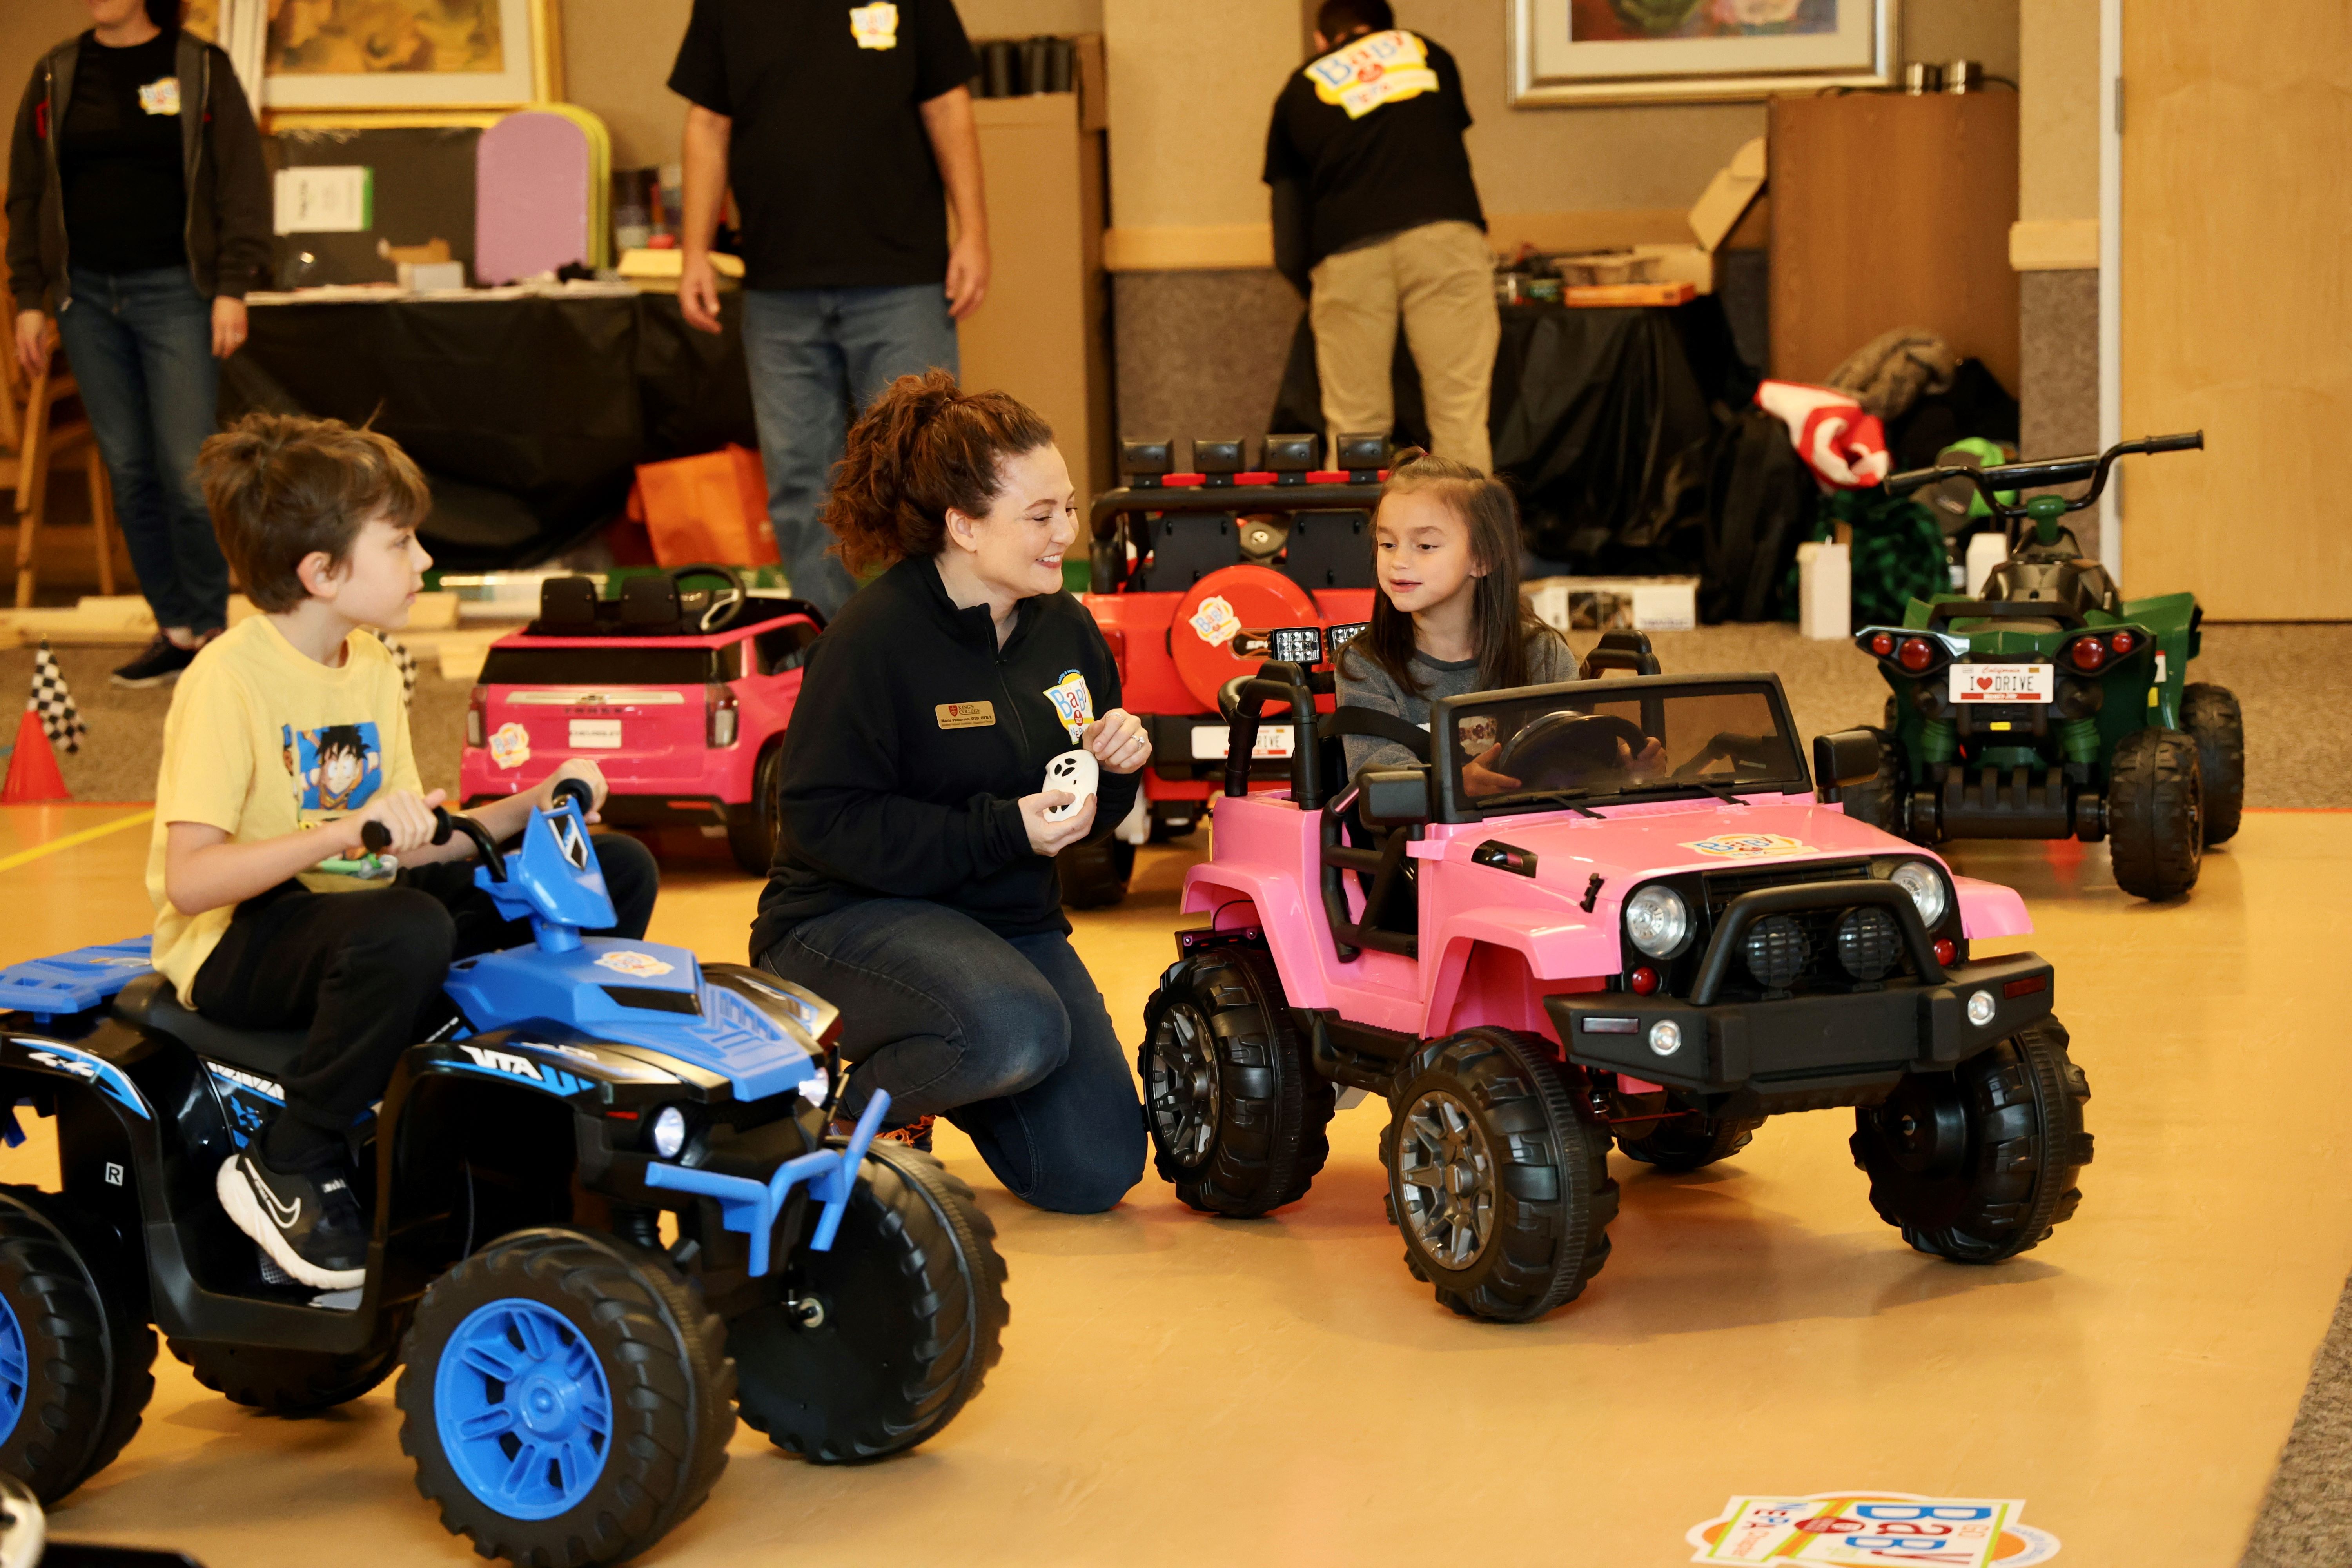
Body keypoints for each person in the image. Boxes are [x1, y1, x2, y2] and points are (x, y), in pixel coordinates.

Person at [152, 412, 658, 1290]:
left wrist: (531, 807)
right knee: (406, 929)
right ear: (321, 572)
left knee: (613, 870)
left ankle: (514, 1124)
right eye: (402, 542)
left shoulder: (375, 664)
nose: (425, 560)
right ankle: (291, 1153)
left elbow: (410, 846)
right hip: (244, 935)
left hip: (366, 909)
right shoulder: (226, 680)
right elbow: (192, 882)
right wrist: (344, 833)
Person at [751, 370, 1147, 1215]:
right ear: (963, 526)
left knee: (1096, 1170)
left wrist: (1117, 772)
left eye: (1069, 508)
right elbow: (824, 824)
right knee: (1014, 1029)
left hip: (1004, 924)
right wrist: (1004, 830)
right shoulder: (872, 639)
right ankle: (850, 1112)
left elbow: (1087, 819)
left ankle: (956, 1044)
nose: (1065, 534)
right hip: (842, 922)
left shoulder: (1066, 628)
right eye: (1040, 517)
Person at [666, 0, 989, 619]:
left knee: (923, 474)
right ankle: (827, 646)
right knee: (800, 485)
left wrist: (973, 231)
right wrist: (695, 252)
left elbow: (948, 104)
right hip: (777, 283)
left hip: (901, 277)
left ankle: (932, 637)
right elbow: (707, 122)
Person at [7, 0, 270, 688]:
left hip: (178, 296)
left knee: (188, 473)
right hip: (85, 299)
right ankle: (174, 629)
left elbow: (242, 180)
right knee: (129, 471)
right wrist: (28, 300)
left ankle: (212, 633)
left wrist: (233, 285)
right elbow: (27, 194)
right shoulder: (56, 73)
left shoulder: (199, 68)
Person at [1265, 0, 1499, 475]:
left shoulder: (1299, 87)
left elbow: (1289, 235)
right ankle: (1471, 546)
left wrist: (1317, 291)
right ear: (1385, 28)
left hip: (1348, 252)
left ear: (1323, 40)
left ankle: (1362, 544)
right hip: (1444, 236)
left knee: (1355, 430)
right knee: (1460, 414)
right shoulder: (1429, 53)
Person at [1336, 452, 1578, 794]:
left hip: (1533, 835)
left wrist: (1622, 766)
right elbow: (1378, 787)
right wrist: (1453, 787)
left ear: (1483, 558)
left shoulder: (1541, 652)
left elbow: (1574, 756)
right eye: (1387, 544)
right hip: (1422, 844)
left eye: (1425, 545)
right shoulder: (1365, 664)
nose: (1399, 561)